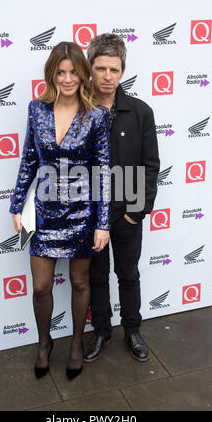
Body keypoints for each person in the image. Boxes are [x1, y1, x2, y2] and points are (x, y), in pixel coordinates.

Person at [9, 42, 110, 380]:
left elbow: (103, 172)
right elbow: (28, 160)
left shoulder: (96, 114)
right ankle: (43, 342)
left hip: (83, 213)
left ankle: (77, 344)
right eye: (61, 72)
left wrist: (103, 224)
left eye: (73, 72)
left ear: (83, 75)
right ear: (52, 74)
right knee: (41, 287)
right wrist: (16, 205)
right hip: (43, 212)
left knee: (81, 283)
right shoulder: (36, 109)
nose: (67, 79)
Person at [83, 33, 160, 363]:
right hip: (91, 215)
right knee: (96, 277)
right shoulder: (78, 111)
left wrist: (135, 212)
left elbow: (151, 167)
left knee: (128, 274)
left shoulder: (141, 112)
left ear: (122, 70)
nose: (107, 76)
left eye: (113, 69)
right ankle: (102, 332)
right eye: (100, 68)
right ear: (90, 69)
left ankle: (132, 330)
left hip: (127, 212)